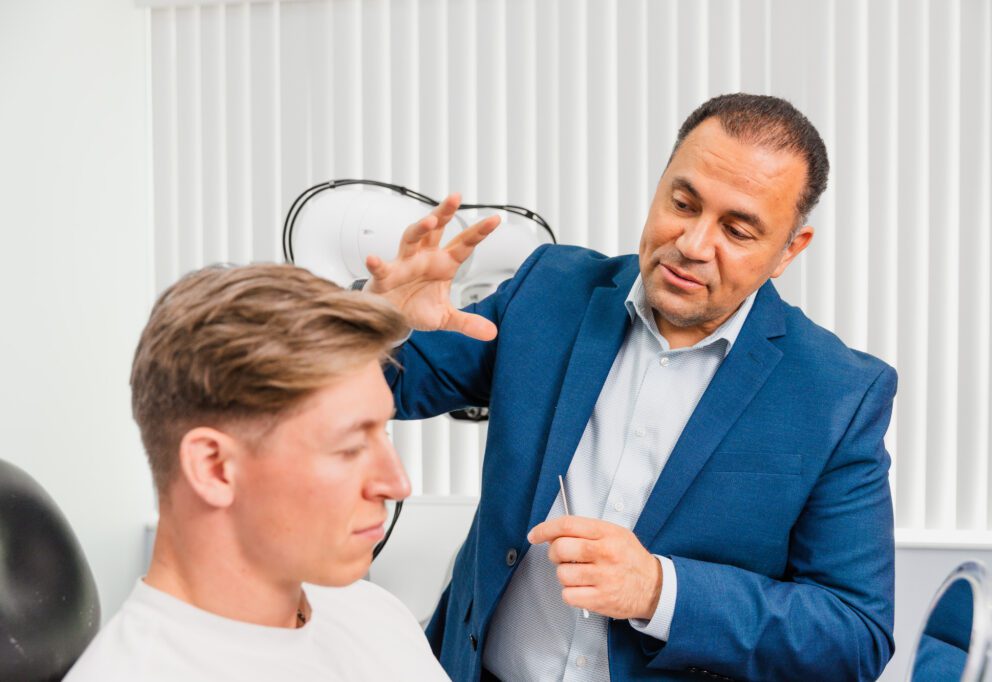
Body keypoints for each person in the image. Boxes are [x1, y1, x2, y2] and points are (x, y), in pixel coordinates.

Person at [367, 93, 896, 680]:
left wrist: (659, 592)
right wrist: (374, 324)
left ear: (788, 250)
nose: (693, 245)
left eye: (738, 230)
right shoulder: (549, 292)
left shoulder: (838, 394)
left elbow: (856, 633)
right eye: (683, 202)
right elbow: (389, 386)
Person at [66, 264, 449, 681]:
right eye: (349, 447)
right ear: (215, 468)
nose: (398, 484)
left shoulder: (374, 613)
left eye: (384, 432)